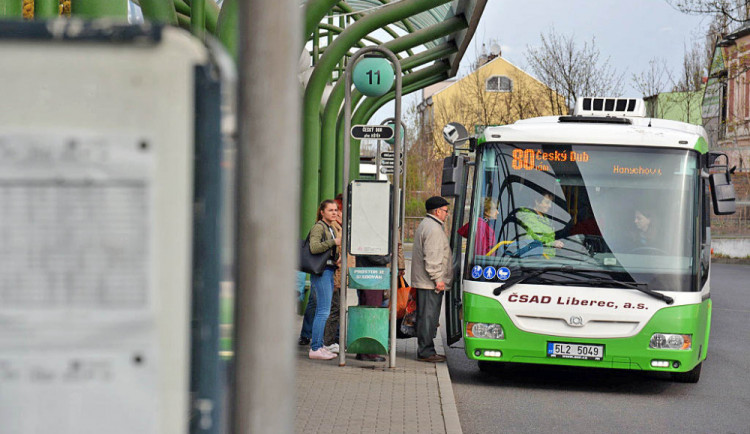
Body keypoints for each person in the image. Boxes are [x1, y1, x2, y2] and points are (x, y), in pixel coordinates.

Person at [411, 196, 453, 363]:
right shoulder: (434, 229)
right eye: (445, 211)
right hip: (430, 283)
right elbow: (433, 257)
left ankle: (426, 349)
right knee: (429, 318)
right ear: (437, 211)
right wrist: (438, 279)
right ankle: (426, 351)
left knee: (426, 317)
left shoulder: (426, 225)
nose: (447, 214)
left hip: (426, 281)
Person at [306, 199, 341, 360]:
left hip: (328, 269)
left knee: (324, 310)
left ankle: (319, 345)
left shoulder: (330, 227)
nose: (334, 213)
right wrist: (333, 242)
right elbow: (314, 247)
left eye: (336, 210)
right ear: (322, 212)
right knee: (323, 311)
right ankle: (315, 348)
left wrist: (336, 259)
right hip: (321, 272)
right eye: (330, 210)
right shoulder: (319, 227)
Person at [516, 193, 564, 257]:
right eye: (547, 202)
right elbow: (533, 238)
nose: (550, 206)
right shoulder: (528, 217)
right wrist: (553, 243)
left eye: (550, 203)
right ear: (537, 201)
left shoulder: (544, 217)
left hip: (547, 259)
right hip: (534, 259)